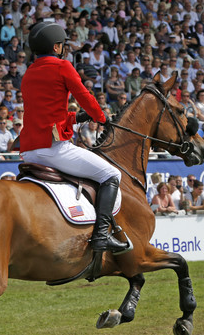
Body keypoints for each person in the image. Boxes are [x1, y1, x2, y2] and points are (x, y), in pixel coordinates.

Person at [19, 22, 129, 256]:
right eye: (62, 45)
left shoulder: (29, 72)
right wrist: (100, 116)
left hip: (29, 150)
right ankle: (101, 236)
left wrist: (75, 117)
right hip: (53, 149)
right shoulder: (63, 66)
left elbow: (45, 114)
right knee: (112, 174)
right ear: (57, 46)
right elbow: (85, 96)